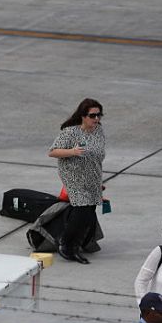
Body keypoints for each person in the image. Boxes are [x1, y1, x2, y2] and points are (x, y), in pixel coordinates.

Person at [48, 98, 106, 264]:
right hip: (73, 175)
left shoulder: (98, 130)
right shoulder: (70, 132)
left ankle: (77, 243)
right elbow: (52, 152)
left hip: (93, 175)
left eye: (99, 115)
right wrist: (72, 151)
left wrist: (98, 179)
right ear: (83, 116)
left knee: (89, 211)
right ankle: (66, 245)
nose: (96, 119)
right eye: (92, 115)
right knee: (81, 209)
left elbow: (98, 155)